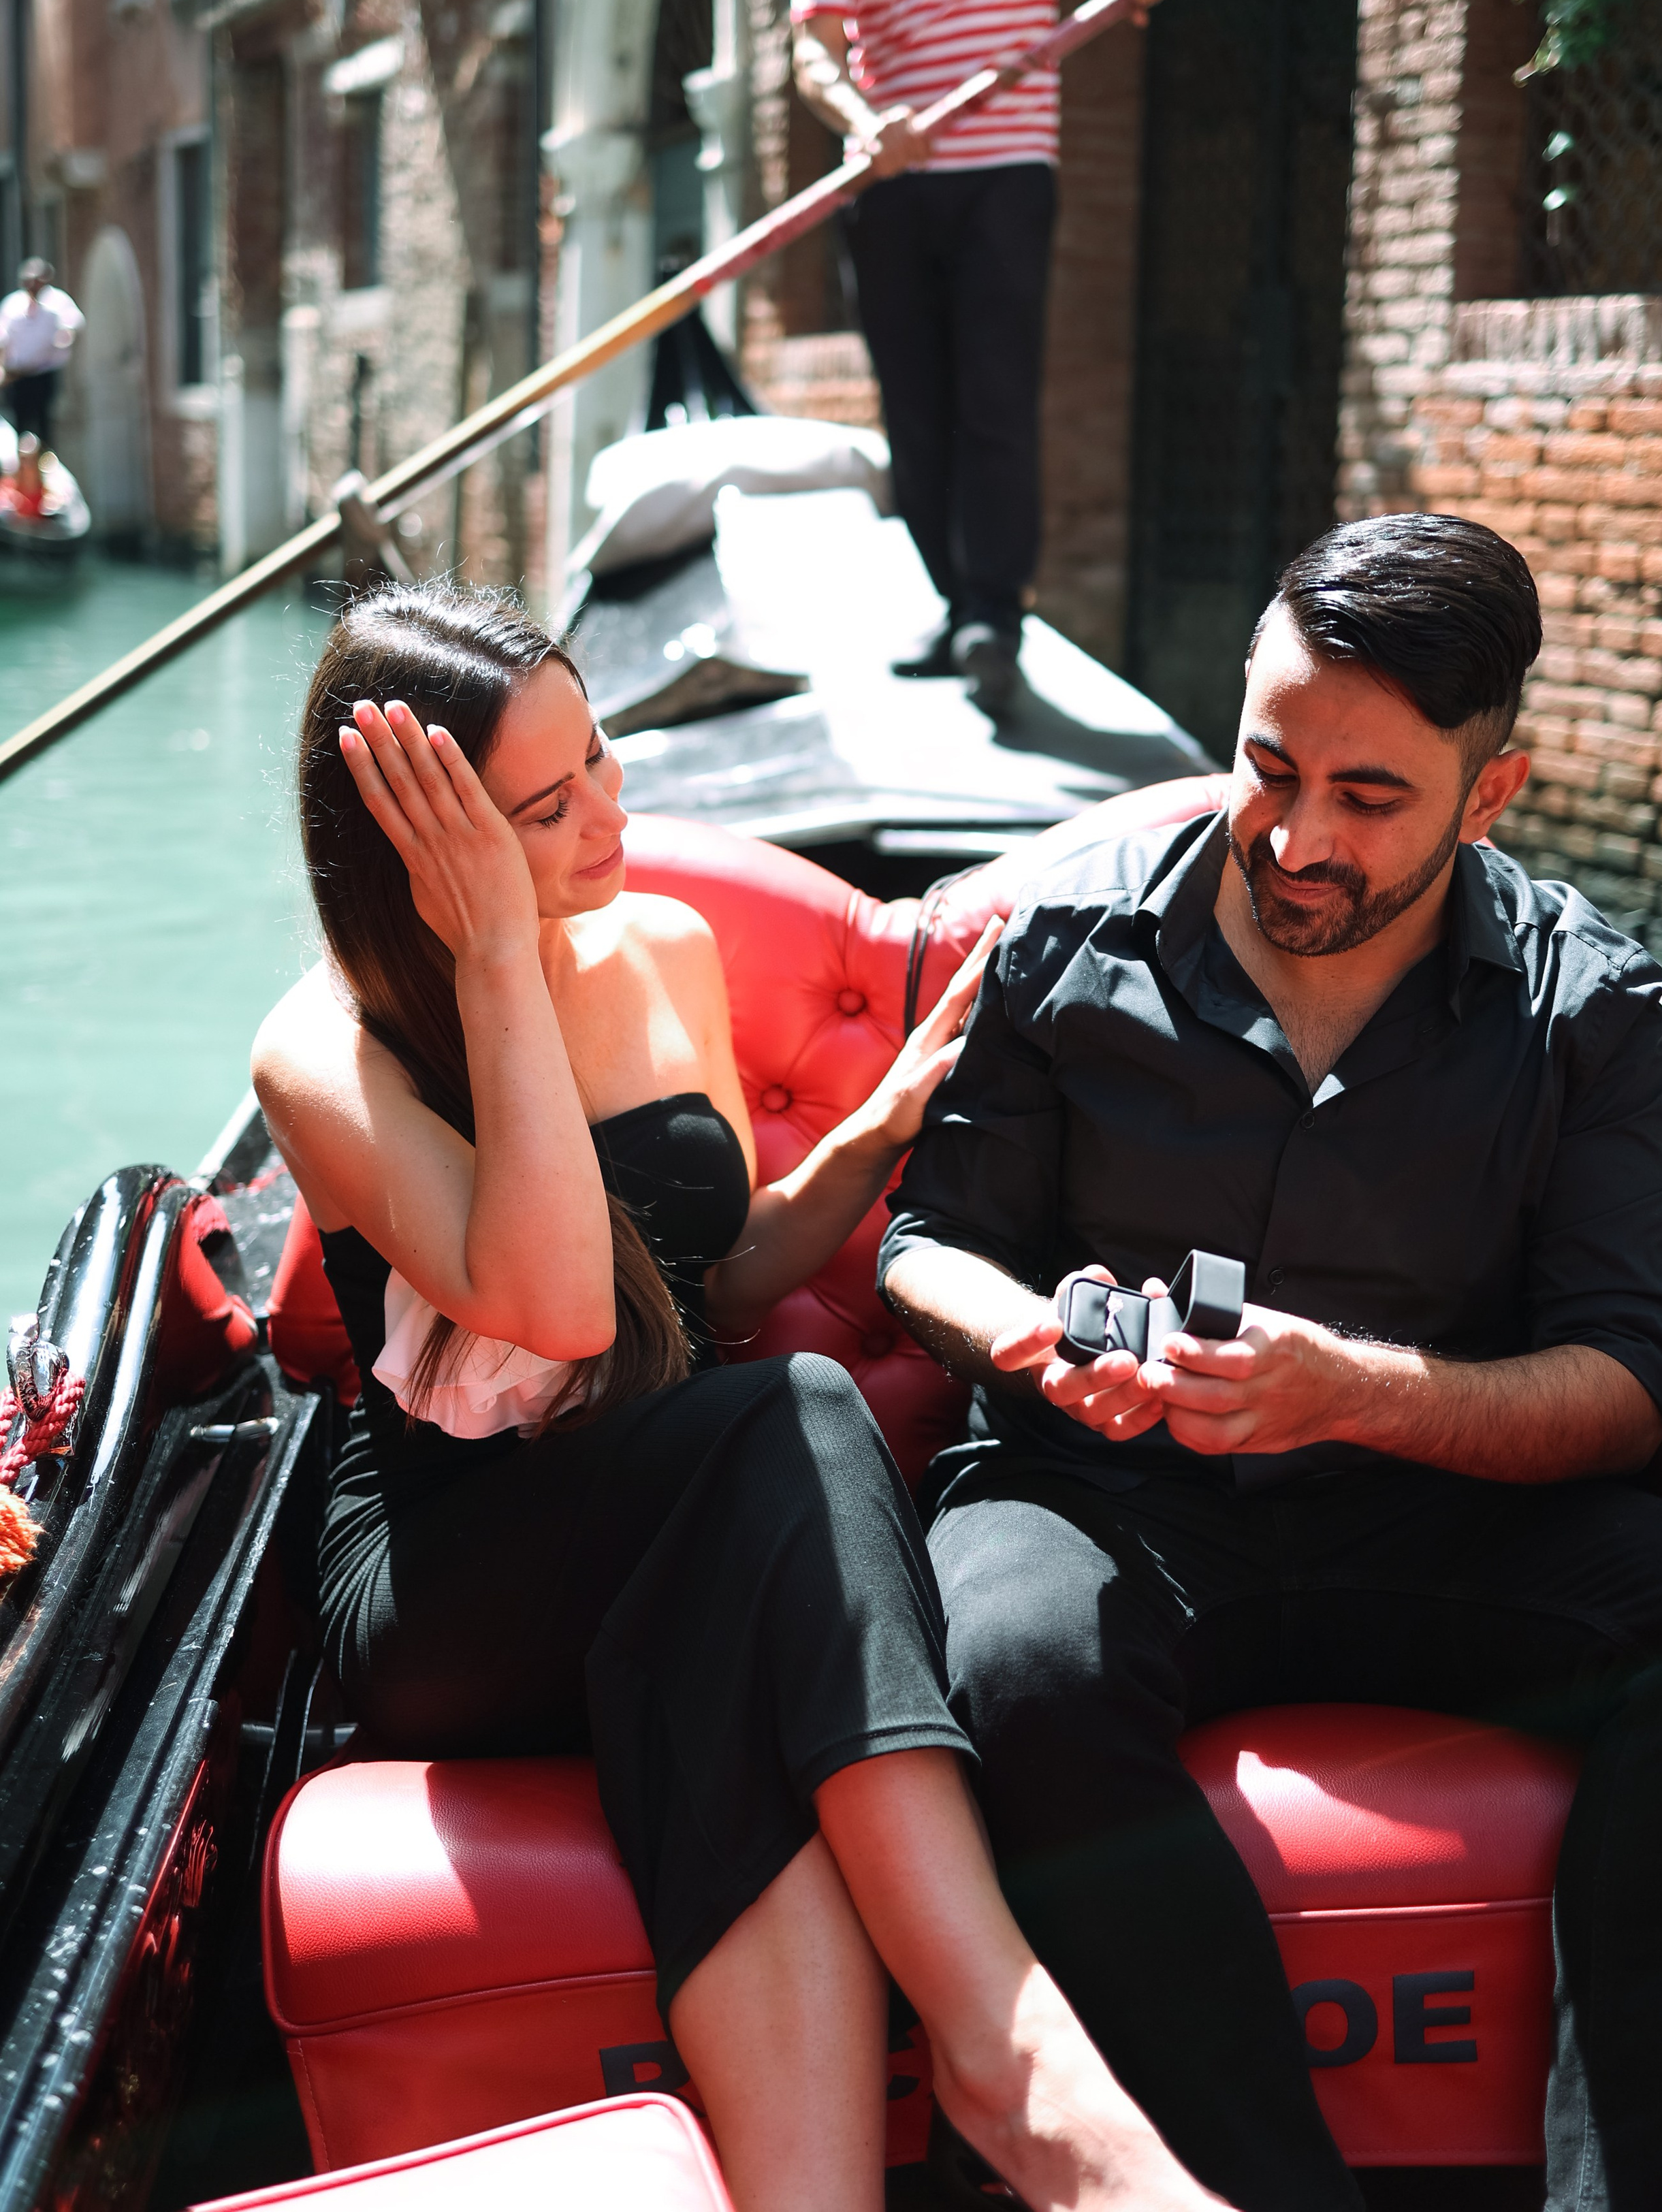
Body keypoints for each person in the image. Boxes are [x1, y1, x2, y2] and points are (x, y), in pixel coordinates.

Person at [251, 579, 1232, 2212]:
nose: (612, 812)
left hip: (679, 1517)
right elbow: (559, 1303)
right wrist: (499, 952)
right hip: (452, 1569)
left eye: (605, 760)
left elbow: (724, 1276)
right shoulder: (325, 1047)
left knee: (751, 1526)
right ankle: (1013, 2067)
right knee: (793, 1418)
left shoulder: (669, 947)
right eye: (544, 806)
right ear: (427, 846)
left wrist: (876, 1129)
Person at [880, 513, 1662, 2212]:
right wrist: (1028, 1339)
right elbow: (926, 1246)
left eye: (1367, 799)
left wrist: (1350, 1388)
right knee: (1013, 1663)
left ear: (1486, 795)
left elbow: (1623, 1383)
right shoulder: (1062, 940)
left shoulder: (1585, 1007)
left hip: (1431, 1508)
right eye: (1265, 765)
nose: (1290, 837)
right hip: (1103, 1484)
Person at [791, 0, 1196, 718]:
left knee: (995, 404)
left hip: (1007, 172)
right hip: (891, 180)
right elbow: (814, 57)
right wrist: (863, 120)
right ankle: (957, 602)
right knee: (915, 413)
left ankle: (992, 621)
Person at [0, 260, 83, 447]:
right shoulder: (13, 304)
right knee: (19, 422)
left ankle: (46, 460)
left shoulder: (58, 301)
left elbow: (72, 326)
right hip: (18, 376)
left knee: (44, 421)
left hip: (43, 374)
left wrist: (62, 340)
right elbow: (3, 338)